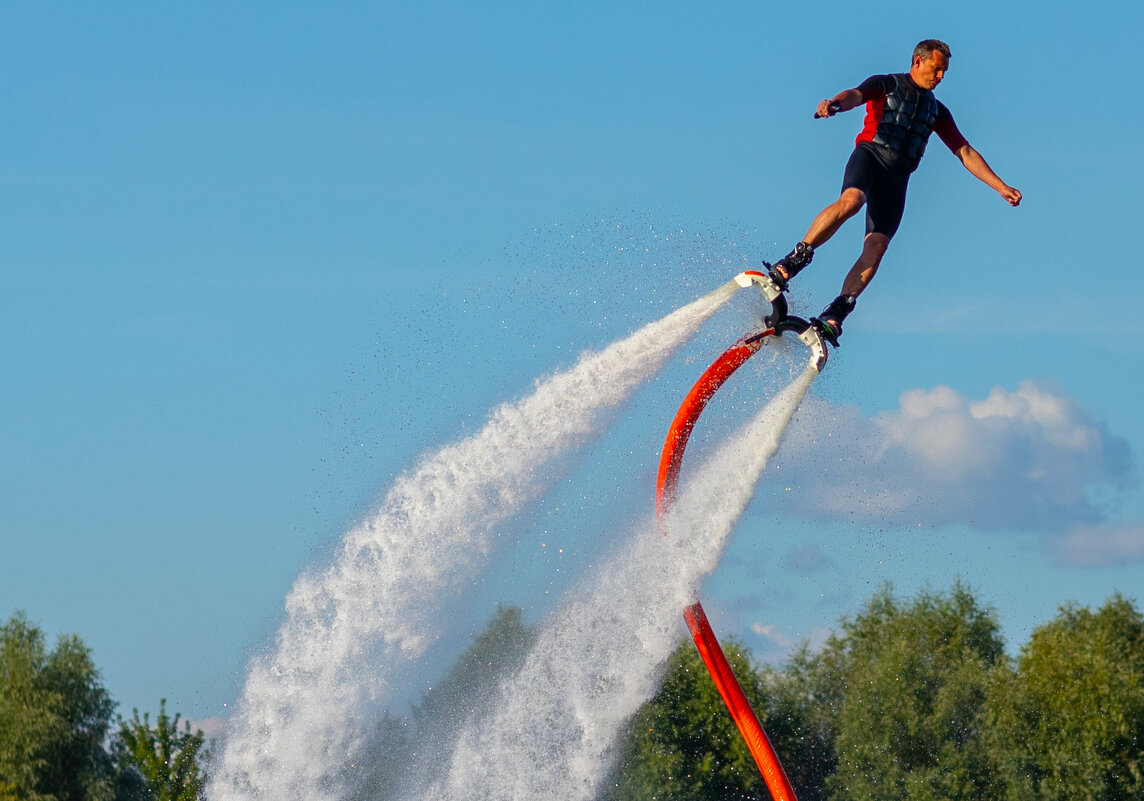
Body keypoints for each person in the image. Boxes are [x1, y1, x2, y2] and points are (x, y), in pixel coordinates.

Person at [766, 39, 1022, 346]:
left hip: (898, 178)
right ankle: (793, 261)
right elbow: (855, 95)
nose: (940, 76)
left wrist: (1000, 186)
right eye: (936, 68)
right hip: (871, 156)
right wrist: (834, 104)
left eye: (944, 72)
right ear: (917, 61)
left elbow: (964, 150)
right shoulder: (887, 84)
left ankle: (836, 312)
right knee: (852, 201)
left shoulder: (938, 111)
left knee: (877, 247)